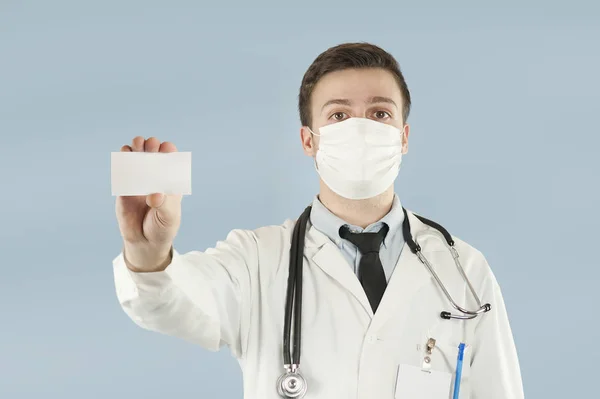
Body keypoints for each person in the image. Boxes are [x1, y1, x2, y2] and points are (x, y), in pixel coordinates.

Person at [112, 42, 524, 398]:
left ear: (404, 137)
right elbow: (169, 305)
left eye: (380, 114)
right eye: (339, 116)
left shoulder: (463, 268)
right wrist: (146, 253)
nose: (361, 128)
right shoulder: (257, 260)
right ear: (309, 140)